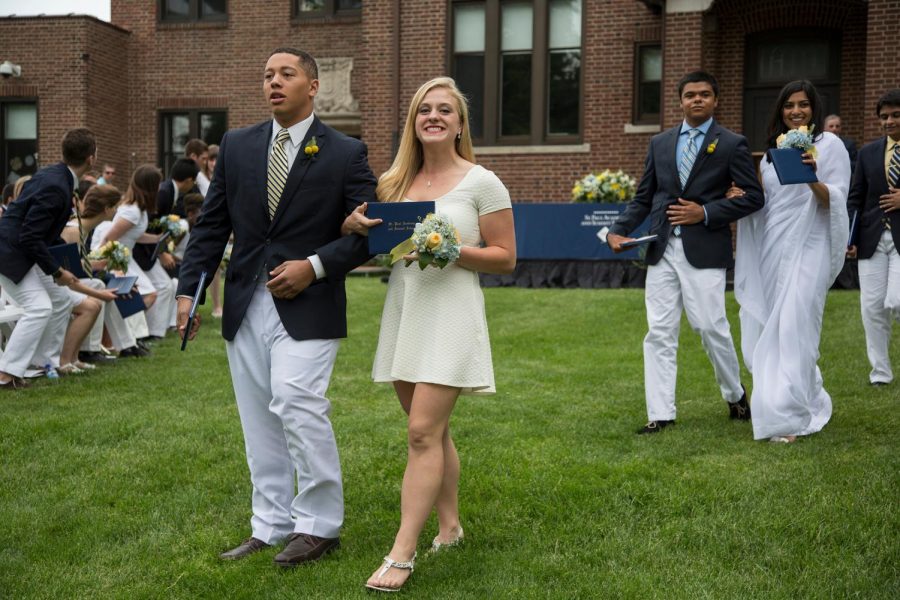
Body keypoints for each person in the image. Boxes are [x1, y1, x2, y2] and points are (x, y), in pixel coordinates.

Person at [176, 48, 376, 567]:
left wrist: (313, 265)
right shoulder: (237, 146)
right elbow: (212, 227)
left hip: (309, 303)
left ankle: (320, 525)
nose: (274, 82)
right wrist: (188, 292)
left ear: (312, 86)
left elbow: (366, 233)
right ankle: (269, 525)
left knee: (296, 401)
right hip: (245, 303)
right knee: (258, 419)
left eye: (286, 74)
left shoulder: (346, 152)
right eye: (267, 75)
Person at [342, 76, 516, 592]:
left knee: (420, 432)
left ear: (460, 123)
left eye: (444, 110)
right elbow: (380, 247)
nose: (434, 117)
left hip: (453, 311)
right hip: (406, 309)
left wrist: (450, 247)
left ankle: (401, 553)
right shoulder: (395, 183)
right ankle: (451, 526)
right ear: (414, 123)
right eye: (424, 110)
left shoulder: (482, 181)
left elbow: (505, 258)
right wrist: (356, 226)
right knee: (432, 432)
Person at [606, 71, 764, 434]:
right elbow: (645, 196)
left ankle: (735, 394)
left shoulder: (731, 143)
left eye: (705, 94)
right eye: (690, 95)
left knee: (711, 326)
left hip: (705, 248)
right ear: (680, 100)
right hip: (661, 248)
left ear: (715, 100)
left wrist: (705, 212)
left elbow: (754, 196)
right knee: (659, 331)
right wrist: (618, 229)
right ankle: (660, 412)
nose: (697, 100)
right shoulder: (660, 143)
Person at [732, 80, 850, 442]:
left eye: (803, 104)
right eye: (788, 105)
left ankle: (791, 416)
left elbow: (837, 198)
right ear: (780, 111)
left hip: (810, 242)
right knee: (773, 324)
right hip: (773, 247)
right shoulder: (769, 155)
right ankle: (791, 397)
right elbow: (767, 206)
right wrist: (742, 198)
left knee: (797, 321)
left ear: (814, 108)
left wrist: (810, 177)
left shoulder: (830, 145)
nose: (795, 111)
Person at [0, 128, 96, 390]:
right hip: (10, 254)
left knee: (61, 300)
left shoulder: (53, 176)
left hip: (22, 251)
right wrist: (57, 271)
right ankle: (6, 374)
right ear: (91, 158)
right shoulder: (56, 186)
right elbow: (30, 237)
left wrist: (66, 263)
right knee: (39, 307)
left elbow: (41, 234)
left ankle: (43, 363)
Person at [846, 89, 900, 387]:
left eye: (895, 115)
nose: (888, 121)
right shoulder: (867, 153)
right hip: (871, 237)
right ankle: (880, 372)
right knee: (872, 307)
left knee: (896, 300)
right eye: (884, 117)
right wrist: (849, 237)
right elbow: (855, 198)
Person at [95, 165, 172, 341]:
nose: (160, 188)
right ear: (151, 186)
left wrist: (156, 238)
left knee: (149, 294)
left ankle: (128, 335)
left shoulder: (139, 209)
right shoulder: (132, 211)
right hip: (118, 259)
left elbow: (133, 236)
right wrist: (104, 264)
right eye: (158, 184)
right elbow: (108, 239)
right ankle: (124, 333)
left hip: (125, 258)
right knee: (148, 295)